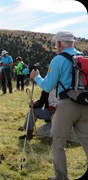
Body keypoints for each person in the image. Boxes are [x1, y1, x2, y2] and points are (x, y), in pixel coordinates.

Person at [30, 31, 88, 180]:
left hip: (67, 104)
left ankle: (61, 177)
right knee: (86, 141)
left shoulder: (58, 59)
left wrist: (36, 77)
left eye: (56, 44)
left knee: (58, 143)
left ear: (60, 44)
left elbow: (48, 86)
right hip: (85, 104)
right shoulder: (83, 57)